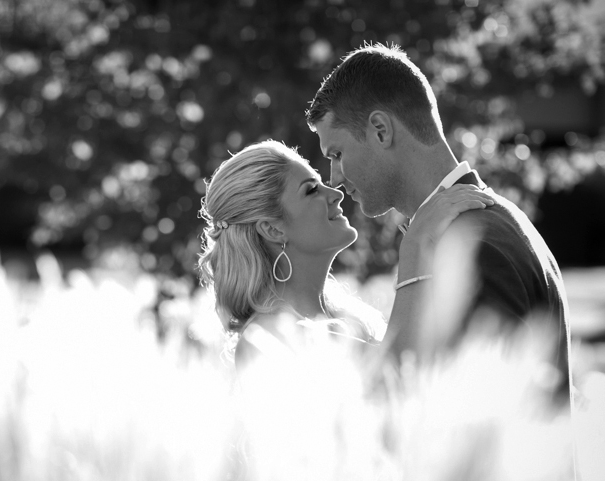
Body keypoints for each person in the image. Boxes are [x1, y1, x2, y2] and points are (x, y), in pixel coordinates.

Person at [305, 43, 571, 406]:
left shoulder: (472, 248)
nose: (333, 178)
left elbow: (486, 425)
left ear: (381, 130)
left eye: (336, 154)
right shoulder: (497, 219)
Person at [197, 140, 493, 370]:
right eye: (311, 190)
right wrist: (415, 245)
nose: (335, 193)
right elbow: (398, 376)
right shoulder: (266, 339)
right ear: (273, 229)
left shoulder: (351, 317)